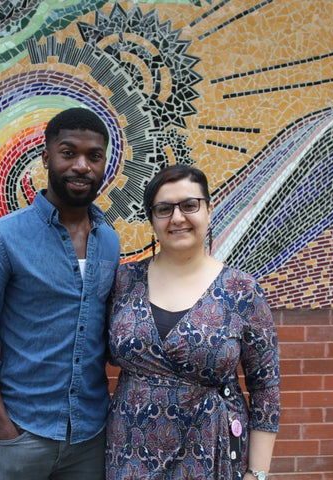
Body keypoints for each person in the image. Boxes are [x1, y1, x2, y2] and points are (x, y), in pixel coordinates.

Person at [0, 107, 120, 480]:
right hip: (22, 435)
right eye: (68, 152)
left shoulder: (109, 241)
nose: (82, 166)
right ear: (46, 157)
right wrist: (5, 432)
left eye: (94, 156)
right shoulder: (0, 240)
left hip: (90, 438)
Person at [105, 164, 280, 480]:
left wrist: (258, 473)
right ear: (152, 219)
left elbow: (265, 385)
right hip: (128, 453)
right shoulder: (124, 281)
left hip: (210, 450)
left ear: (209, 210)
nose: (177, 218)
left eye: (189, 205)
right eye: (164, 209)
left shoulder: (241, 290)